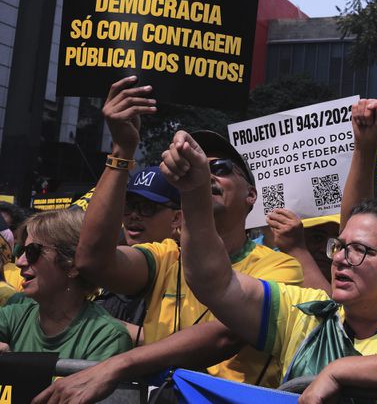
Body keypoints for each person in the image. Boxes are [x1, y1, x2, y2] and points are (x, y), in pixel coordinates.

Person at [158, 130, 377, 403]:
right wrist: (195, 193)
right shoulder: (305, 315)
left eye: (360, 250)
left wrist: (339, 371)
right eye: (339, 246)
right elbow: (215, 284)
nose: (339, 258)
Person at [74, 77, 303, 385]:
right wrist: (122, 149)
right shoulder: (164, 256)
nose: (204, 174)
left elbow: (225, 335)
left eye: (219, 168)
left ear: (251, 194)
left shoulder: (280, 266)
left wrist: (121, 364)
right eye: (195, 168)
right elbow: (93, 262)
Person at [0, 209, 131, 359]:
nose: (20, 262)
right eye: (21, 251)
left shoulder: (107, 337)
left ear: (72, 265)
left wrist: (15, 369)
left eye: (32, 251)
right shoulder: (13, 316)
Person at [94, 166, 183, 341]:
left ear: (176, 218)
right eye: (129, 206)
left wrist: (96, 322)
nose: (134, 215)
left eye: (147, 207)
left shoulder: (186, 270)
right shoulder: (104, 262)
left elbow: (178, 342)